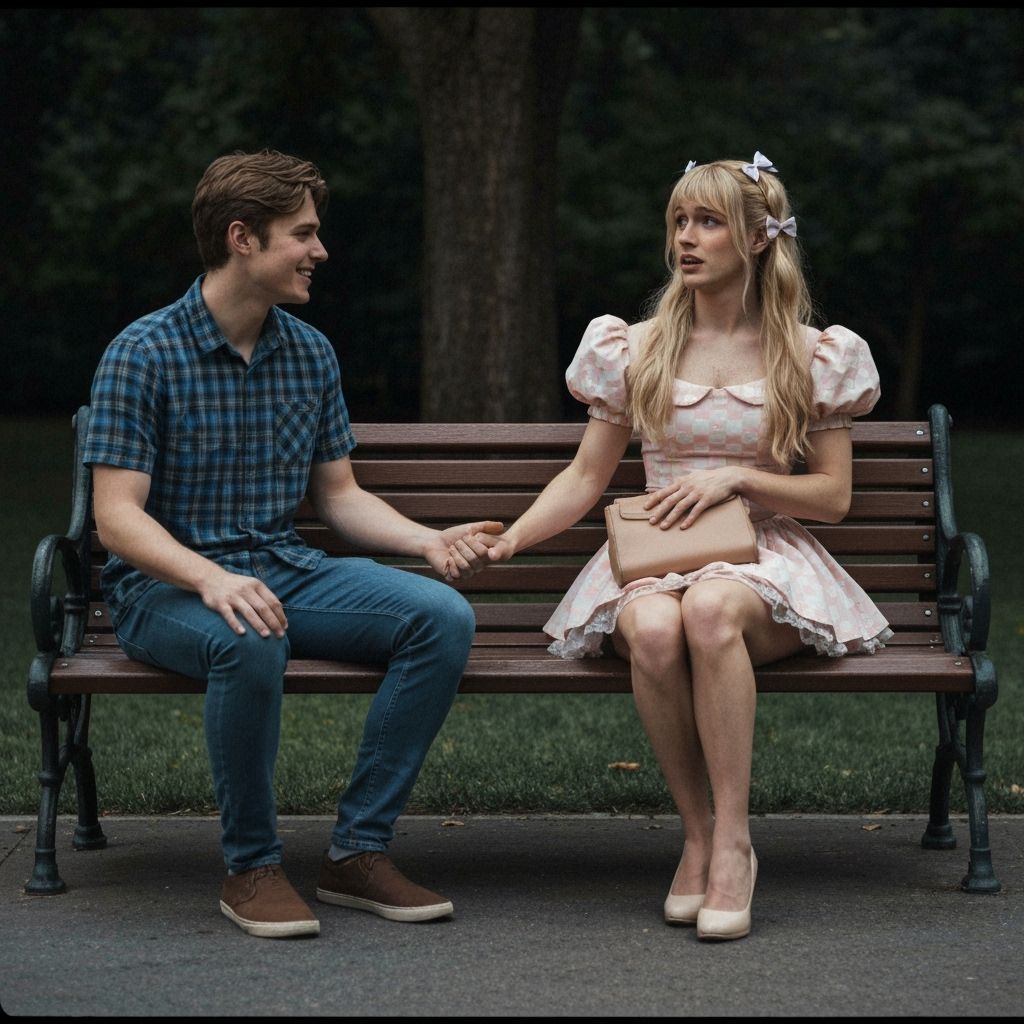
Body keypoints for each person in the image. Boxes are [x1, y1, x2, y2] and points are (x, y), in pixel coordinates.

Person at [452, 153, 891, 942]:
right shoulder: (637, 346)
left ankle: (734, 843)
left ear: (759, 239)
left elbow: (832, 496)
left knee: (711, 612)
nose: (686, 239)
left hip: (762, 560)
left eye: (708, 222)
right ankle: (695, 834)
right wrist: (514, 535)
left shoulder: (809, 351)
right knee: (656, 625)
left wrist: (738, 479)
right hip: (655, 552)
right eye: (680, 222)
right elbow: (588, 476)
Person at [83, 149, 502, 939]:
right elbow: (118, 518)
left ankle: (357, 852)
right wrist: (210, 579)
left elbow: (339, 498)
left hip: (283, 568)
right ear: (243, 238)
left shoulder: (308, 352)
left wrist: (427, 540)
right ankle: (252, 868)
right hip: (166, 591)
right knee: (248, 637)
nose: (321, 251)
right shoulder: (142, 354)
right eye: (303, 234)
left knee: (439, 618)